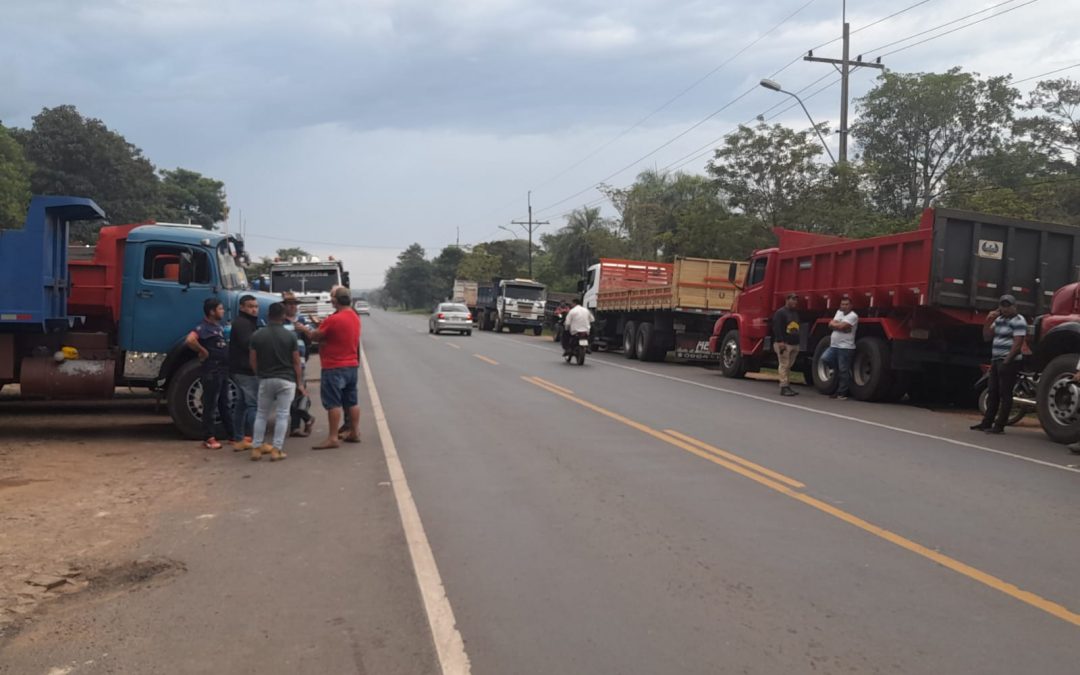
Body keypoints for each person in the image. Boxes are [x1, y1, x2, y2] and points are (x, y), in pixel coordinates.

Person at [248, 302, 305, 461]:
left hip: (265, 379)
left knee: (261, 414)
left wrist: (258, 374)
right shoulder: (290, 336)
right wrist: (299, 381)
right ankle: (276, 449)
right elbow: (296, 362)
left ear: (268, 315)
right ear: (283, 316)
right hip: (286, 379)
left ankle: (256, 447)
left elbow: (252, 359)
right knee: (282, 415)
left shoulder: (257, 335)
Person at [310, 287, 361, 449]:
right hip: (351, 365)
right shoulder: (354, 316)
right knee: (352, 401)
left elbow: (315, 336)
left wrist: (305, 329)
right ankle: (354, 432)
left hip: (334, 366)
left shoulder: (333, 319)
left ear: (335, 301)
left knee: (333, 403)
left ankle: (333, 437)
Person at [971, 294, 1027, 435]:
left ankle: (1000, 425)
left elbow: (1018, 343)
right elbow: (986, 337)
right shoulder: (999, 320)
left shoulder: (1019, 320)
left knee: (1005, 393)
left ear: (1015, 307)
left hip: (1009, 360)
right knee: (993, 391)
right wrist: (988, 321)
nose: (1005, 309)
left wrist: (1007, 361)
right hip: (996, 360)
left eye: (1008, 306)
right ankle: (987, 422)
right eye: (1003, 306)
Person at [185, 298, 236, 449]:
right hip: (211, 371)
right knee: (210, 404)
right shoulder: (203, 328)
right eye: (220, 309)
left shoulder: (218, 328)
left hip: (222, 370)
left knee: (224, 404)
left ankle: (232, 436)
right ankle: (208, 437)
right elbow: (190, 340)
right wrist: (203, 351)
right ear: (212, 311)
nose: (222, 311)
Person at [228, 295, 261, 451]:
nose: (254, 309)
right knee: (253, 404)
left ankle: (239, 438)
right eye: (250, 306)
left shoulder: (248, 322)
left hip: (242, 368)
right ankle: (256, 440)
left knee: (241, 404)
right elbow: (248, 344)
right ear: (242, 307)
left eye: (255, 306)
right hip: (244, 370)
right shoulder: (243, 324)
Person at [282, 292, 315, 437]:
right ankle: (306, 418)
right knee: (287, 395)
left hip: (300, 361)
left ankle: (296, 427)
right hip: (284, 362)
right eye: (290, 304)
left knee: (298, 394)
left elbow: (312, 335)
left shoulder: (302, 320)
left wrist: (304, 329)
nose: (293, 307)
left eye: (295, 304)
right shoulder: (281, 322)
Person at [819, 296, 858, 400]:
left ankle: (842, 393)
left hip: (846, 347)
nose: (844, 306)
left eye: (846, 304)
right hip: (834, 345)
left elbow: (841, 326)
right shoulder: (839, 312)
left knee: (843, 370)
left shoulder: (853, 316)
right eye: (842, 304)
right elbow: (830, 324)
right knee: (825, 358)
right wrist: (838, 325)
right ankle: (835, 369)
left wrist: (837, 325)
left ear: (851, 306)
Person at [772, 293, 802, 397]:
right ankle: (783, 387)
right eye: (793, 299)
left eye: (796, 300)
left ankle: (787, 385)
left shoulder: (795, 313)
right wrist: (780, 342)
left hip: (794, 343)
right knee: (784, 364)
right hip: (784, 343)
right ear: (787, 299)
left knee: (788, 366)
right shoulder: (780, 313)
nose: (795, 302)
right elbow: (777, 327)